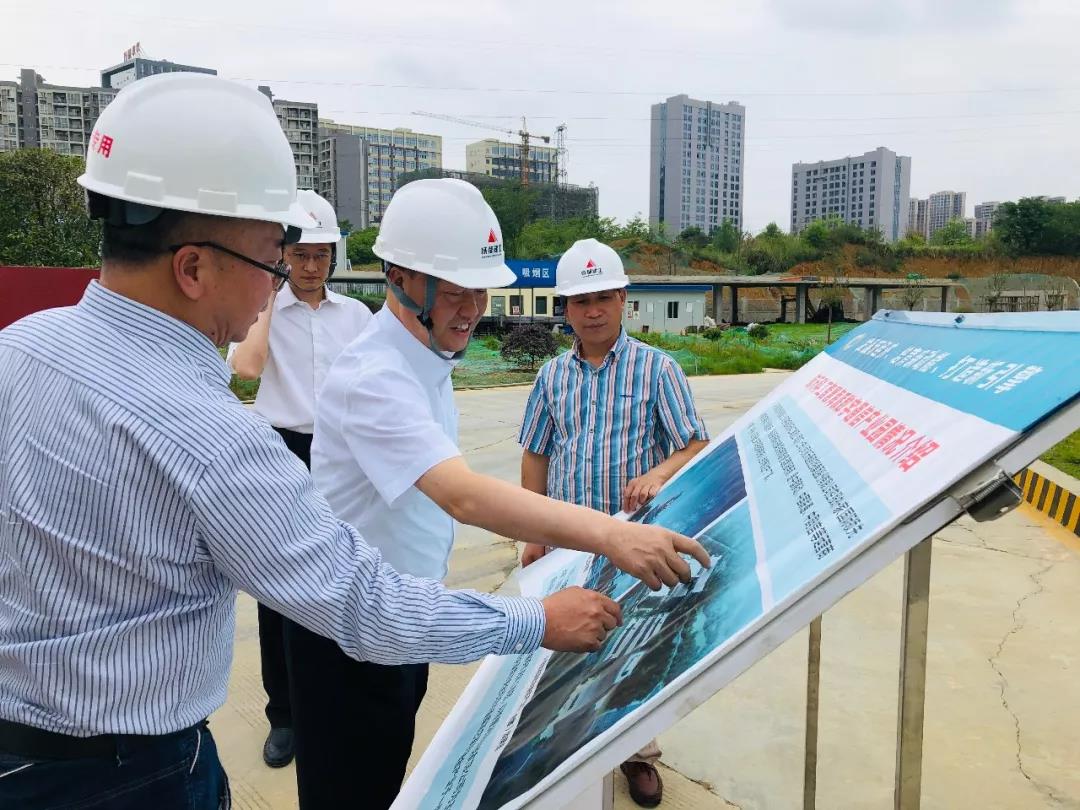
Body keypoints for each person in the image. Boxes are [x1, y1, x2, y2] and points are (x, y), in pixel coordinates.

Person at [0, 75, 627, 810]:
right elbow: (364, 606)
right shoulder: (212, 439)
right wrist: (538, 620)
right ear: (193, 267)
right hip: (132, 777)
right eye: (272, 260)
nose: (278, 286)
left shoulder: (20, 348)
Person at [305, 178, 710, 810]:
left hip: (402, 616)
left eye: (480, 290)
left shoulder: (427, 356)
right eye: (456, 290)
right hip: (353, 634)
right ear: (400, 278)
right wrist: (611, 534)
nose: (472, 308)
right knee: (354, 787)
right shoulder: (375, 377)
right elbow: (465, 496)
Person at [518, 238, 711, 808]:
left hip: (633, 543)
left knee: (631, 650)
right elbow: (536, 453)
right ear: (566, 308)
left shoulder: (658, 369)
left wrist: (658, 473)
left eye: (603, 298)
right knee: (563, 647)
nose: (593, 311)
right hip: (567, 542)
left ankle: (637, 753)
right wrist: (533, 530)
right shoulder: (552, 376)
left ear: (624, 299)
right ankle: (565, 750)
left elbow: (694, 443)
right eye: (581, 301)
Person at [226, 188, 371, 768]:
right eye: (300, 254)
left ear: (333, 256)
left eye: (320, 255)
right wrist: (269, 294)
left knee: (345, 572)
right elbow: (246, 367)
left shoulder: (355, 316)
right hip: (281, 452)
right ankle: (284, 714)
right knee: (277, 590)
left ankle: (336, 696)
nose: (310, 267)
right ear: (282, 253)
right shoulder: (262, 309)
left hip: (340, 453)